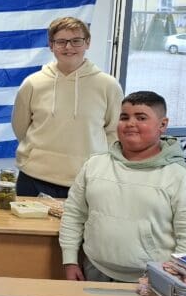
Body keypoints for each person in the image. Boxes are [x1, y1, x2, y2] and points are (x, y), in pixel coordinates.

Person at [59, 91, 186, 282]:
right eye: (124, 117)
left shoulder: (180, 174)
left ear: (162, 125)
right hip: (96, 270)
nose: (130, 123)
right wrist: (70, 261)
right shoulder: (94, 165)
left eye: (141, 118)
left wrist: (175, 277)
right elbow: (74, 214)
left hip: (155, 279)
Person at [12, 16, 123, 198]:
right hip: (33, 177)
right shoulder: (32, 83)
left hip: (87, 180)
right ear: (51, 45)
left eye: (76, 41)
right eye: (61, 41)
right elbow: (21, 128)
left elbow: (114, 132)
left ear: (87, 43)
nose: (68, 47)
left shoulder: (108, 86)